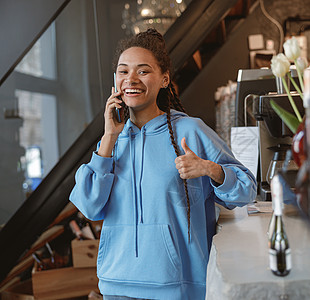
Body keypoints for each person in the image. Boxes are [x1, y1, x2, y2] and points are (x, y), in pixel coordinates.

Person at [69, 28, 257, 300]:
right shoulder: (110, 141)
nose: (131, 79)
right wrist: (109, 136)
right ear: (115, 81)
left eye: (143, 71)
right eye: (123, 71)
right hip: (115, 285)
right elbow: (89, 206)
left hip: (177, 287)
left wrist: (209, 169)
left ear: (164, 79)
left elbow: (246, 188)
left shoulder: (190, 131)